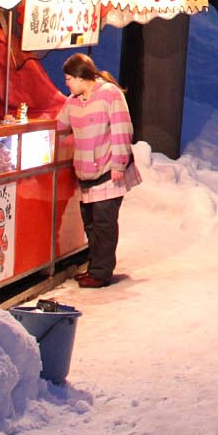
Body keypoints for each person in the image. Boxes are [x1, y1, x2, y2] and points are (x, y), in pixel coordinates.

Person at [56, 52, 142, 288]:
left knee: (104, 224)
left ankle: (101, 273)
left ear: (80, 77)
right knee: (91, 224)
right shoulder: (72, 101)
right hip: (85, 173)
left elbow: (122, 129)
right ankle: (94, 267)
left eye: (68, 79)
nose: (67, 84)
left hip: (108, 172)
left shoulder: (109, 94)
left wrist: (119, 164)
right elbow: (60, 124)